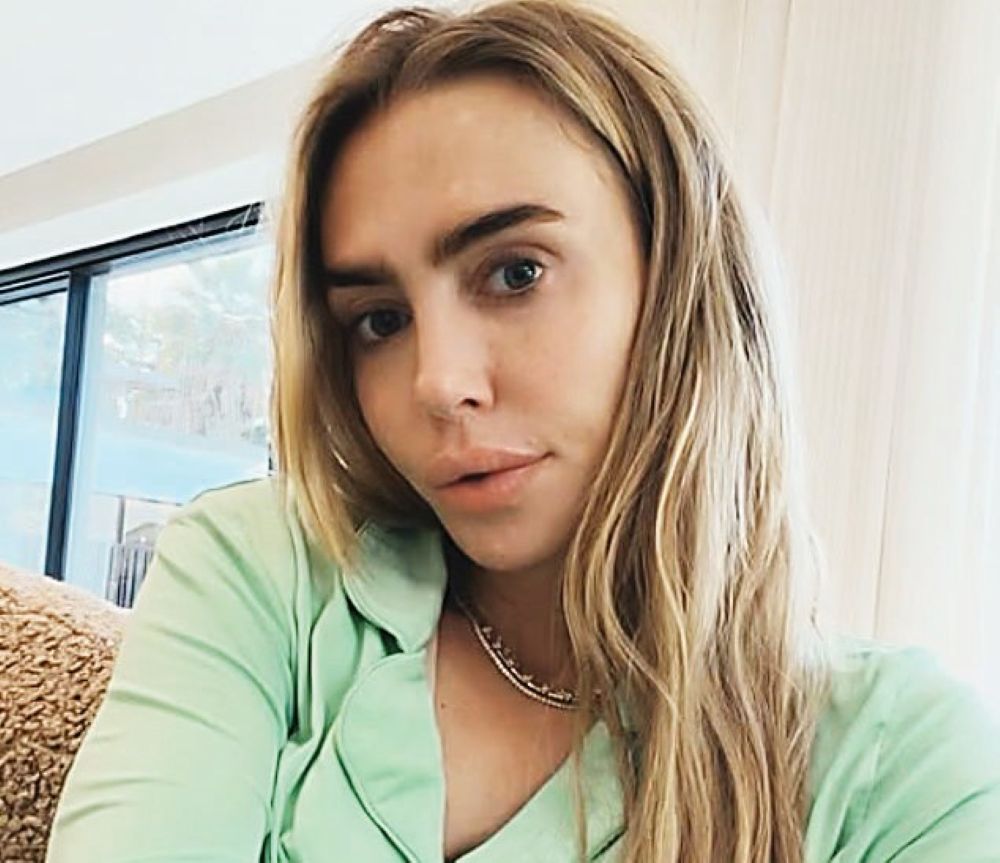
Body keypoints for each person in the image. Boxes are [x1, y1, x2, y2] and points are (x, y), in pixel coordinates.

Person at [45, 1, 1000, 861]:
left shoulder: (901, 768)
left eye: (515, 273)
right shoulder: (261, 573)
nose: (437, 383)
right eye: (379, 319)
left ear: (679, 279)